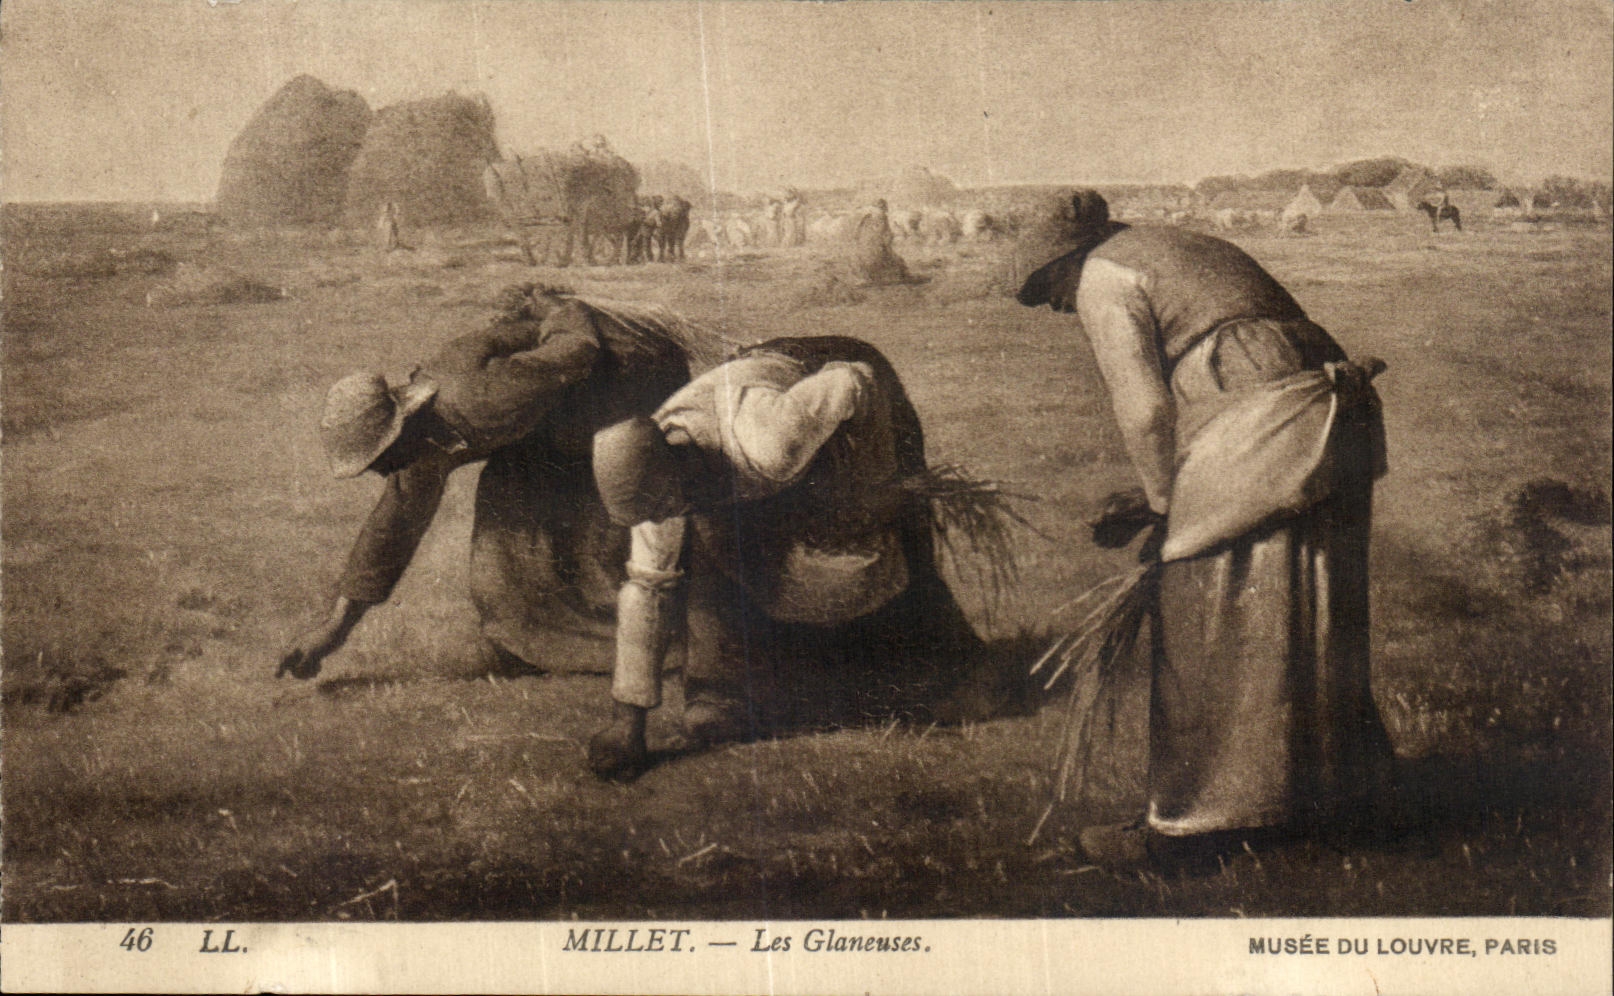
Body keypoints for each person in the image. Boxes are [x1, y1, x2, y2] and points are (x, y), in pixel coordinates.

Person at [1017, 190, 1395, 867]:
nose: (1051, 305)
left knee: (1202, 612)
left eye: (1045, 286)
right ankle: (1335, 802)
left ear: (1066, 261)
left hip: (1267, 417)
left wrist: (1166, 510)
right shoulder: (1172, 246)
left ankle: (1197, 826)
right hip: (1327, 415)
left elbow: (1144, 410)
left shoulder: (1106, 275)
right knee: (1311, 605)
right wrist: (1157, 494)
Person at [585, 336, 990, 778]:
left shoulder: (767, 442)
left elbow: (855, 381)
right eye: (653, 513)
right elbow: (648, 587)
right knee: (716, 550)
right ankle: (728, 692)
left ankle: (947, 673)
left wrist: (872, 492)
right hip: (764, 416)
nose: (659, 519)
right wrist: (627, 725)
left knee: (893, 538)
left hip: (837, 379)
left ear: (681, 465)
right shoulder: (656, 487)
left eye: (664, 506)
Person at [276, 284, 694, 680]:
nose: (381, 472)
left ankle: (664, 642)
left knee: (608, 524)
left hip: (630, 381)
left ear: (401, 427)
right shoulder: (422, 445)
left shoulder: (478, 396)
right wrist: (333, 631)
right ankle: (530, 645)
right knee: (503, 528)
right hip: (555, 423)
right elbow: (392, 529)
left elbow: (576, 350)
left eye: (378, 460)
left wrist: (557, 309)